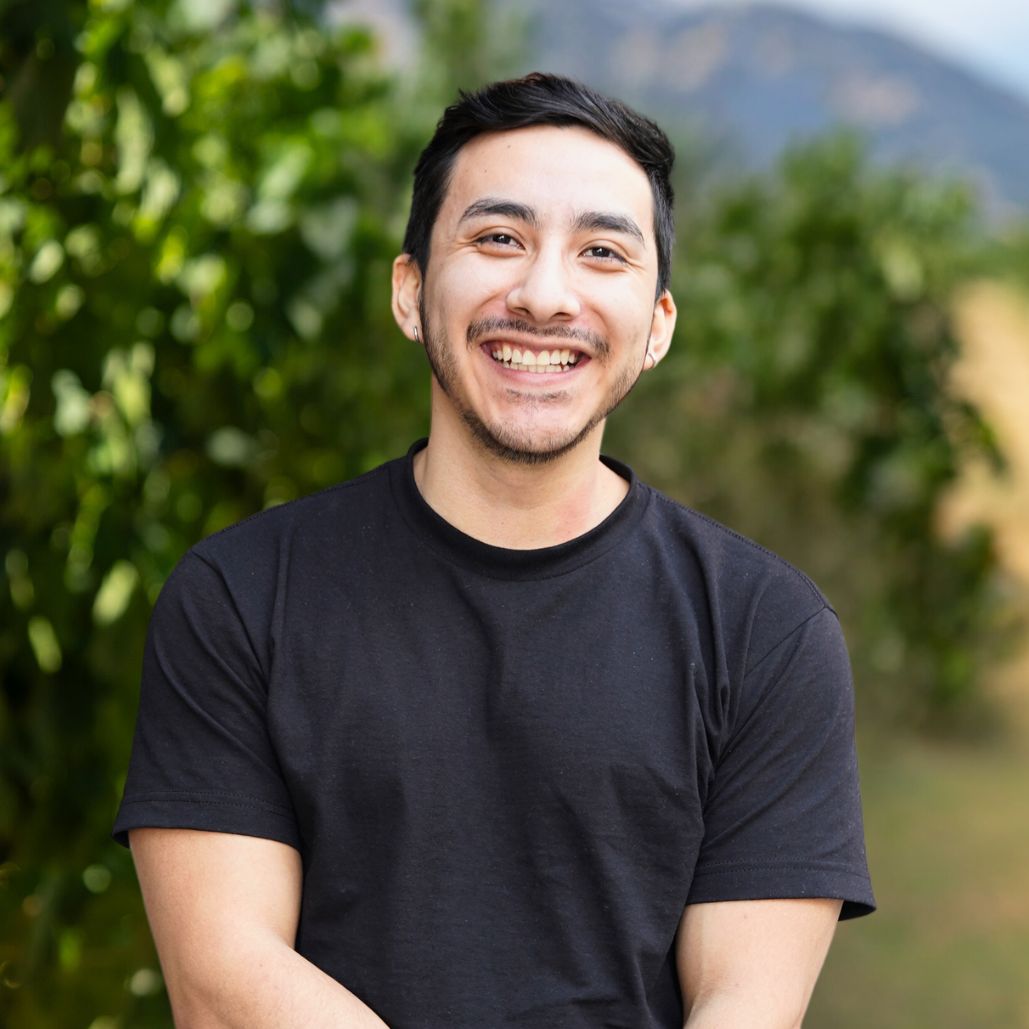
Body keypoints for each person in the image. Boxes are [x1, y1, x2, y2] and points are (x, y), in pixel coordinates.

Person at [114, 72, 874, 1028]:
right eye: (497, 238)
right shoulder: (238, 597)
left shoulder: (766, 630)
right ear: (410, 290)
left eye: (602, 252)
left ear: (657, 328)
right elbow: (224, 983)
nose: (545, 296)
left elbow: (744, 1004)